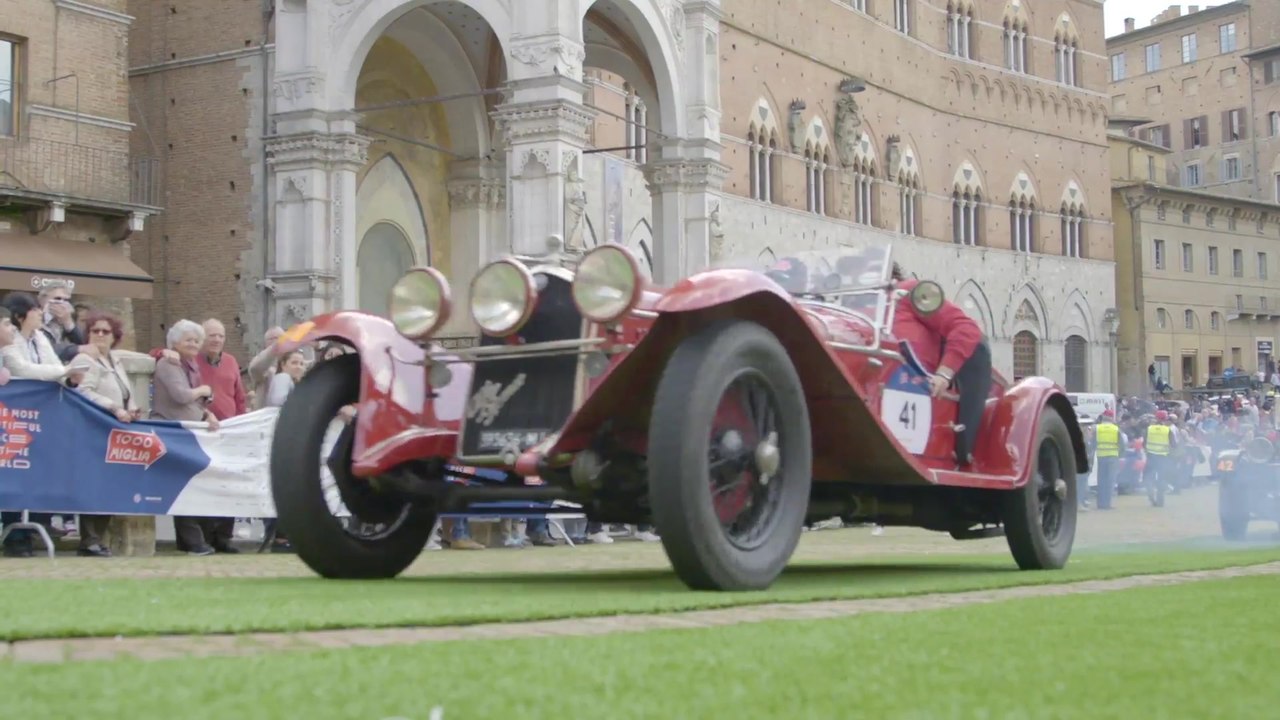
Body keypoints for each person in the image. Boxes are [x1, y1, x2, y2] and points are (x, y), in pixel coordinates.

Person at [0, 292, 87, 557]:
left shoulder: (41, 338)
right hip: (13, 418)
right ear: (20, 316)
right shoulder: (8, 338)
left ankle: (32, 527)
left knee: (41, 468)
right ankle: (14, 534)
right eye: (35, 310)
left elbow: (50, 365)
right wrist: (63, 372)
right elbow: (21, 369)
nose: (41, 313)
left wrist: (68, 378)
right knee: (14, 467)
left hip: (41, 418)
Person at [889, 262, 989, 465]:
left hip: (918, 387)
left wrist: (944, 374)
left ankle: (963, 452)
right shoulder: (848, 308)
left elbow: (966, 329)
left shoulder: (907, 293)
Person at [68, 311, 142, 557]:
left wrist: (131, 408)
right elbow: (83, 391)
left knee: (109, 484)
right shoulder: (86, 359)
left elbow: (124, 391)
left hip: (115, 430)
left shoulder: (115, 360)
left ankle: (98, 538)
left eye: (105, 331)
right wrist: (112, 407)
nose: (100, 335)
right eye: (95, 331)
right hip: (94, 428)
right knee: (93, 482)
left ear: (114, 337)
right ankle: (88, 539)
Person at [150, 319, 221, 556]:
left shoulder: (189, 366)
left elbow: (193, 402)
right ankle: (193, 542)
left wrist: (207, 412)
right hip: (173, 432)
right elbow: (181, 396)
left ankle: (189, 541)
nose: (194, 344)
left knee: (190, 484)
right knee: (184, 485)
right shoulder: (169, 364)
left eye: (197, 340)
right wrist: (204, 390)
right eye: (188, 340)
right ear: (175, 343)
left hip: (189, 430)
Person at [1093, 410, 1126, 510]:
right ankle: (1107, 504)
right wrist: (1120, 456)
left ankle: (1100, 503)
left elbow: (1092, 442)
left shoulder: (1097, 428)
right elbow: (1122, 445)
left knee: (1101, 480)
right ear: (1111, 418)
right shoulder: (1116, 429)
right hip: (1113, 457)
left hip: (1101, 456)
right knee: (1110, 481)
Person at [1144, 410, 1177, 507]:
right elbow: (1174, 445)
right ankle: (1160, 501)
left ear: (1156, 418)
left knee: (1148, 478)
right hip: (1163, 457)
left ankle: (1151, 497)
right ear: (1165, 419)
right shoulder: (1167, 430)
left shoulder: (1149, 429)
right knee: (1161, 479)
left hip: (1150, 457)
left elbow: (1143, 443)